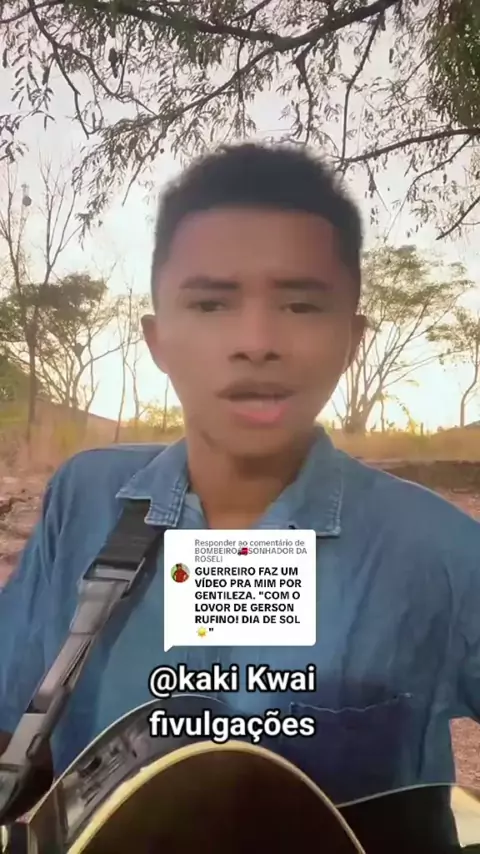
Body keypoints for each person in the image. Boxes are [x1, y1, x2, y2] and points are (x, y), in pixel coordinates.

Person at [1, 142, 480, 819]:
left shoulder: (440, 552)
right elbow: (18, 730)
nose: (257, 341)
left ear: (353, 339)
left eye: (301, 306)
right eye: (211, 305)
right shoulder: (85, 501)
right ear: (157, 339)